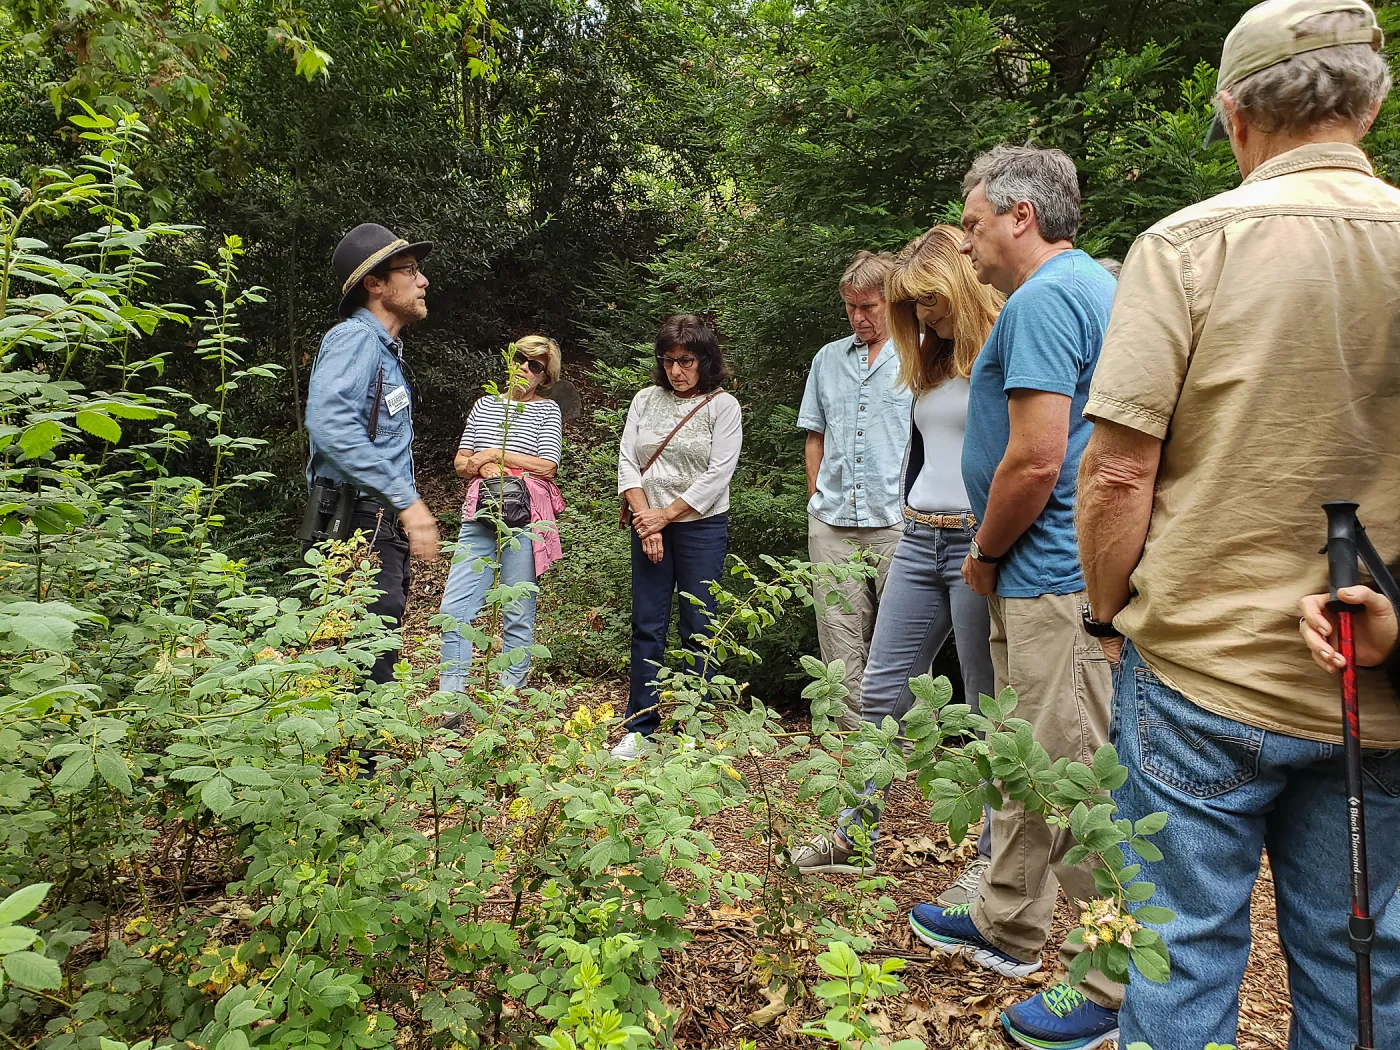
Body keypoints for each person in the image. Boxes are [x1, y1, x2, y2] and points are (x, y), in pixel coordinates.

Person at [1076, 1, 1400, 1046]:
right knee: (1364, 976)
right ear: (1370, 100)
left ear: (1233, 118)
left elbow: (1117, 473)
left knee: (1176, 957)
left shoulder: (1183, 248)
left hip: (1197, 673)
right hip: (1376, 691)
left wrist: (1109, 607)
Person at [904, 146, 1122, 1050]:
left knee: (1071, 776)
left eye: (975, 218)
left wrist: (986, 554)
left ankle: (1111, 982)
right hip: (1048, 576)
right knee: (1022, 756)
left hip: (1045, 576)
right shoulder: (1090, 289)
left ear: (1020, 217)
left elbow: (1036, 458)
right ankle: (1006, 922)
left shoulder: (1041, 300)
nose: (967, 236)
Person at [792, 226, 1002, 901]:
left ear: (958, 291)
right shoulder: (929, 358)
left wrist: (993, 543)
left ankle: (993, 862)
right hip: (917, 537)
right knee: (882, 691)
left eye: (926, 302)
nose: (918, 316)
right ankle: (852, 834)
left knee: (984, 704)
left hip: (976, 540)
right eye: (908, 306)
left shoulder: (999, 347)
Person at [305, 222, 440, 684]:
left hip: (374, 526)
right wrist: (406, 501)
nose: (423, 281)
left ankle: (362, 752)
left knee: (374, 652)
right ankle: (357, 756)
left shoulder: (385, 350)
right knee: (367, 660)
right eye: (411, 270)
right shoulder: (355, 339)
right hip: (357, 525)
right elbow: (330, 425)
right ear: (375, 284)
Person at [612, 315, 743, 760]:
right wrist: (646, 515)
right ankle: (640, 727)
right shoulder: (646, 399)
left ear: (705, 360)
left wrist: (664, 516)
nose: (676, 370)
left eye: (685, 360)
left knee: (699, 625)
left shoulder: (723, 406)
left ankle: (694, 729)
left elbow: (718, 473)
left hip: (699, 528)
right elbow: (628, 459)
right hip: (648, 521)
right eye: (668, 360)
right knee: (647, 624)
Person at [798, 251, 913, 730]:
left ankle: (902, 740)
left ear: (891, 301)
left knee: (904, 638)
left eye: (868, 307)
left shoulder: (919, 353)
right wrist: (815, 501)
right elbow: (815, 437)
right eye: (850, 308)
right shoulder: (827, 359)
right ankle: (852, 745)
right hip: (832, 522)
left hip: (898, 520)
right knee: (839, 638)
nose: (859, 317)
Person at [438, 335, 566, 697]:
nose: (523, 368)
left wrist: (496, 454)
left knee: (517, 610)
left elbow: (547, 466)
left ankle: (505, 705)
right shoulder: (485, 405)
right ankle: (451, 703)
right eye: (519, 359)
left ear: (545, 376)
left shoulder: (547, 411)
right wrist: (480, 466)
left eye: (534, 364)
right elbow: (462, 462)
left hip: (523, 517)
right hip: (480, 513)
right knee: (455, 608)